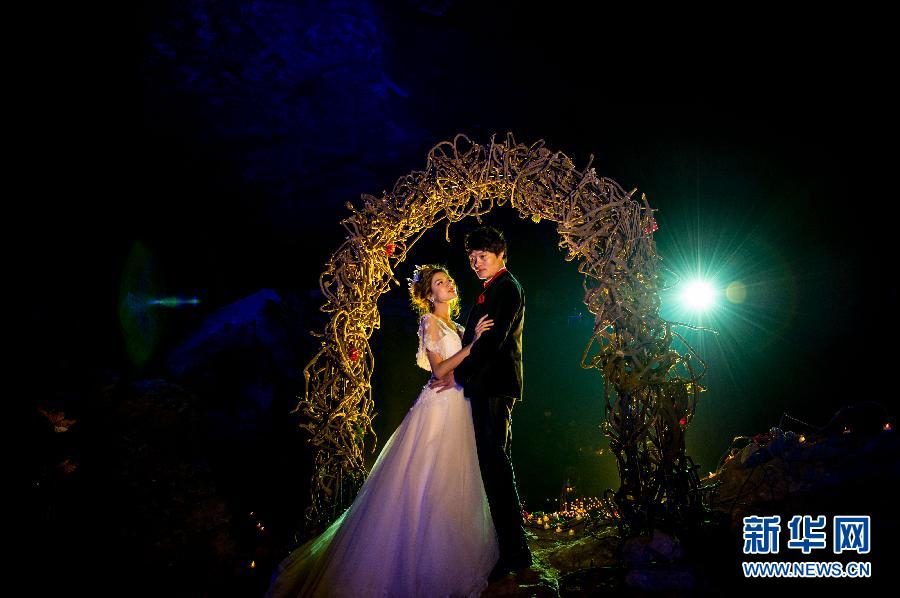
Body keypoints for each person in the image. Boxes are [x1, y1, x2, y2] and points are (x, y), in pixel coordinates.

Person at [266, 264, 499, 597]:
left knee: (451, 480)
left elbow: (460, 370)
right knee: (424, 481)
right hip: (437, 411)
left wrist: (468, 355)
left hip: (458, 407)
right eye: (439, 283)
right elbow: (438, 370)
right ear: (429, 294)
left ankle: (443, 555)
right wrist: (473, 346)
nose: (447, 285)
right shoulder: (430, 322)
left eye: (447, 280)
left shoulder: (457, 326)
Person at [430, 225, 533, 581]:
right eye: (472, 258)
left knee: (496, 466)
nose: (476, 263)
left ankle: (516, 551)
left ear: (500, 254)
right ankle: (510, 547)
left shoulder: (506, 288)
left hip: (494, 386)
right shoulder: (490, 290)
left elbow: (491, 343)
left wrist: (455, 376)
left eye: (482, 256)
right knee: (492, 465)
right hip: (486, 386)